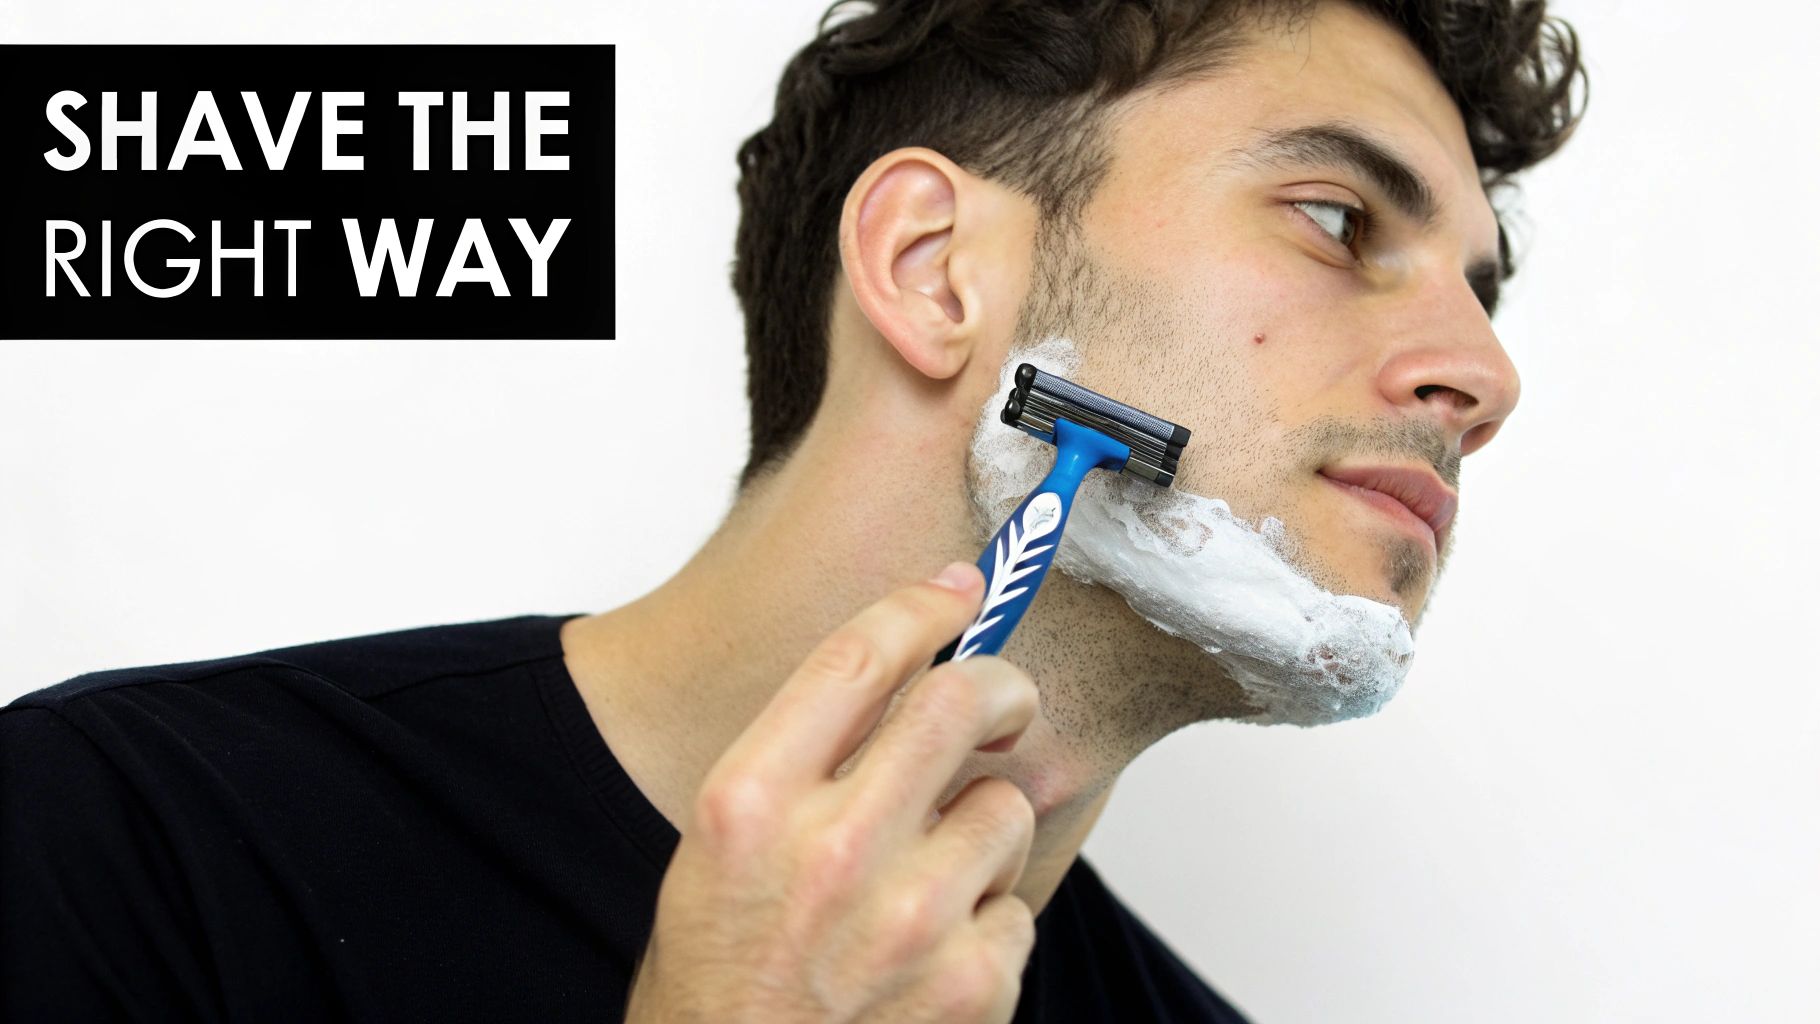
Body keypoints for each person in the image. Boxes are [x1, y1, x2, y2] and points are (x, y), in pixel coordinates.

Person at [1, 1, 1584, 1020]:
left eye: (1479, 290)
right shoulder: (120, 848)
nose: (1483, 375)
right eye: (1336, 217)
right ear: (932, 271)